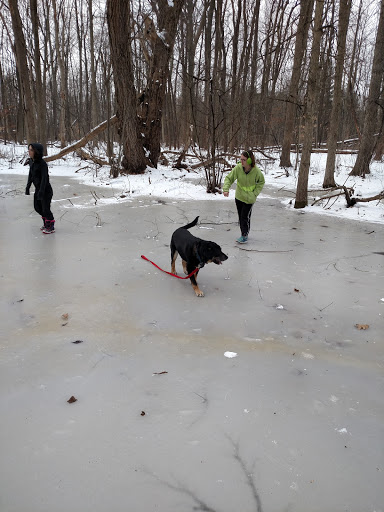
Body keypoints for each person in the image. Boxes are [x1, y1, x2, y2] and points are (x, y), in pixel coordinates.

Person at [223, 150, 265, 243]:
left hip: (250, 199)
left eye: (244, 160)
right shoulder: (238, 168)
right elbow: (229, 178)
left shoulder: (256, 171)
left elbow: (261, 182)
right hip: (239, 197)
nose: (241, 161)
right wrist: (226, 189)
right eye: (241, 159)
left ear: (250, 161)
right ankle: (245, 232)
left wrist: (255, 194)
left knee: (244, 217)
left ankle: (244, 234)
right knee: (242, 216)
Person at [25, 143, 55, 234]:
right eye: (29, 149)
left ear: (36, 152)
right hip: (38, 189)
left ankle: (50, 225)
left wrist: (42, 191)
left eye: (31, 150)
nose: (29, 152)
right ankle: (46, 222)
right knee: (37, 207)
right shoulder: (31, 162)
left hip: (45, 190)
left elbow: (44, 179)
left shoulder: (43, 164)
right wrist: (28, 187)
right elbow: (30, 175)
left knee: (45, 209)